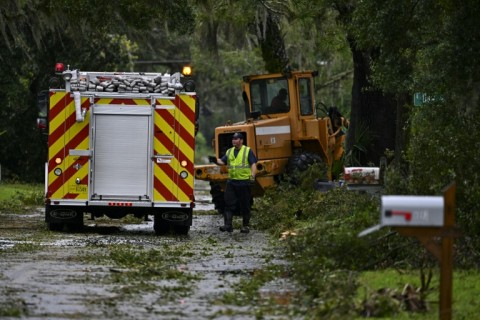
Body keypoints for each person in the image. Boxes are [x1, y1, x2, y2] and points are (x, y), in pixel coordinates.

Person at [208, 132, 257, 233]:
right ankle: (228, 225)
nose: (234, 140)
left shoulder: (247, 151)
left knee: (245, 205)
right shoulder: (229, 151)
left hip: (244, 182)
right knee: (228, 204)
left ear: (241, 140)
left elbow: (253, 165)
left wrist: (252, 177)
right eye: (233, 139)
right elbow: (222, 161)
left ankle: (245, 226)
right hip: (232, 182)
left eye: (236, 139)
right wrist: (215, 160)